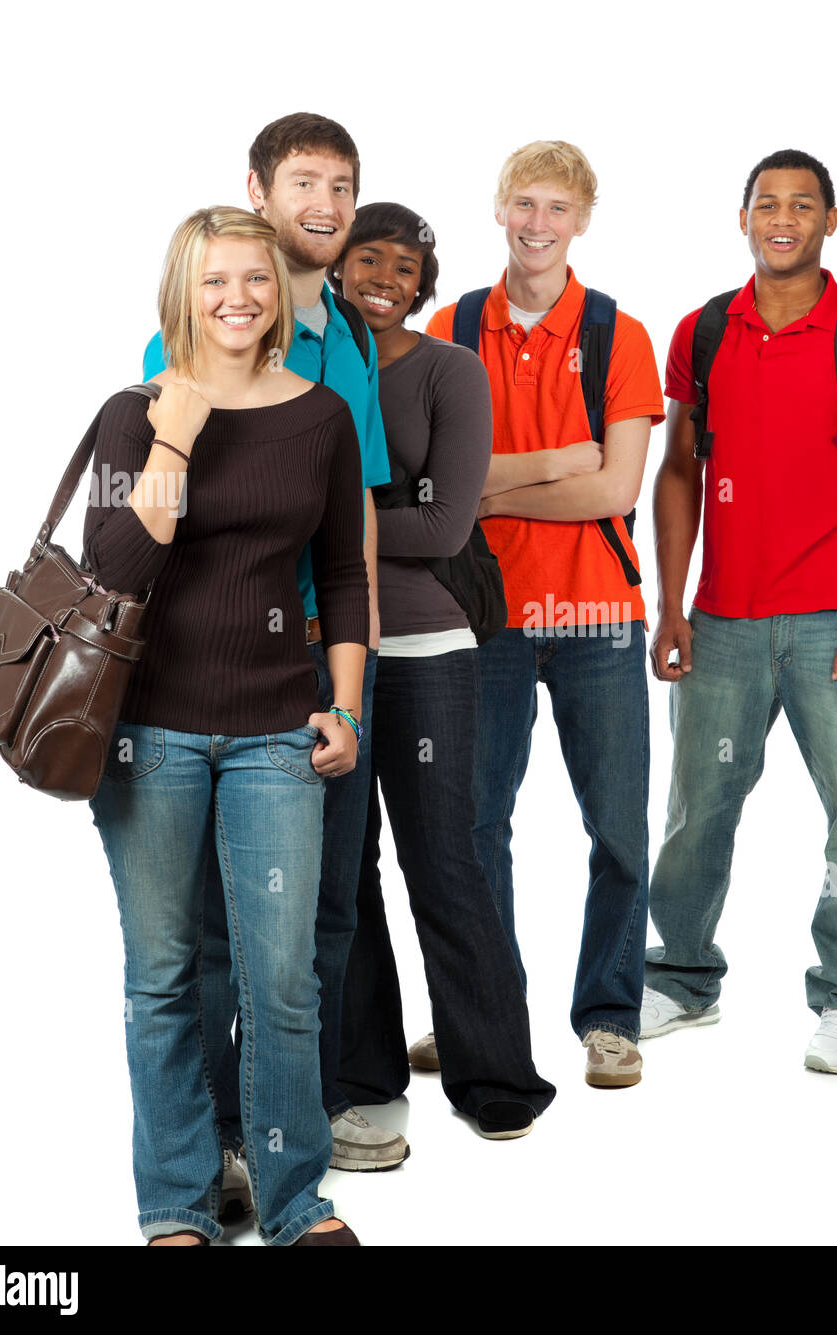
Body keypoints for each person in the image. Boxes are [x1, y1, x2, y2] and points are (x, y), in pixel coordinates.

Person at [87, 206, 365, 1244]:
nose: (238, 298)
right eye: (214, 282)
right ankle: (178, 1206)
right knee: (162, 979)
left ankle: (297, 1202)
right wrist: (176, 431)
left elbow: (342, 577)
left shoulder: (321, 418)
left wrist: (341, 705)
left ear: (280, 291)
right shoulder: (134, 413)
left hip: (274, 733)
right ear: (182, 295)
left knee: (281, 980)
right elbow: (119, 564)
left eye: (255, 278)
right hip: (147, 736)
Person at [142, 114, 405, 1192]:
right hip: (223, 671)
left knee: (325, 903)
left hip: (328, 659)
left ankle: (302, 1112)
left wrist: (362, 638)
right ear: (256, 190)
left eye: (343, 188)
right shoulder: (195, 337)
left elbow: (359, 506)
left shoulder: (344, 334)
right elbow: (163, 519)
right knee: (214, 929)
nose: (327, 206)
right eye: (305, 183)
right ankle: (222, 1139)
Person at [639, 149, 837, 1074]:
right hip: (721, 621)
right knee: (695, 815)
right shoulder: (703, 332)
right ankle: (682, 976)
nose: (783, 217)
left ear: (829, 223)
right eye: (767, 203)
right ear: (742, 217)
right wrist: (673, 604)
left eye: (803, 205)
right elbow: (679, 468)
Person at [425, 141, 664, 1087]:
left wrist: (497, 488)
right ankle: (484, 1011)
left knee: (616, 825)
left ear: (584, 219)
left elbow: (615, 484)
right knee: (474, 823)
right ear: (497, 208)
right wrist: (554, 461)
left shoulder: (619, 333)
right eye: (523, 202)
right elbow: (437, 481)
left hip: (598, 615)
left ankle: (610, 1014)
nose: (538, 223)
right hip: (482, 613)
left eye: (557, 207)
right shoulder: (450, 326)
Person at [329, 203, 556, 1137]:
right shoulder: (305, 364)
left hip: (424, 648)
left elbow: (445, 527)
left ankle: (496, 1077)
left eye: (404, 264)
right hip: (322, 651)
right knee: (342, 874)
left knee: (446, 859)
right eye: (366, 257)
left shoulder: (448, 372)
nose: (384, 275)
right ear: (337, 268)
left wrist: (334, 531)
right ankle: (369, 1084)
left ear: (424, 283)